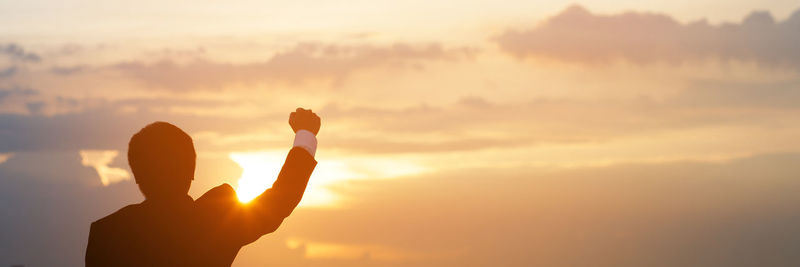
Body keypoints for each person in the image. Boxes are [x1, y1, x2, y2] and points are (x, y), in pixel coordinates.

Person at [85, 108, 321, 266]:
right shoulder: (216, 221)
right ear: (192, 171)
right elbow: (281, 199)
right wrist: (305, 133)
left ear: (137, 176)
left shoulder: (106, 233)